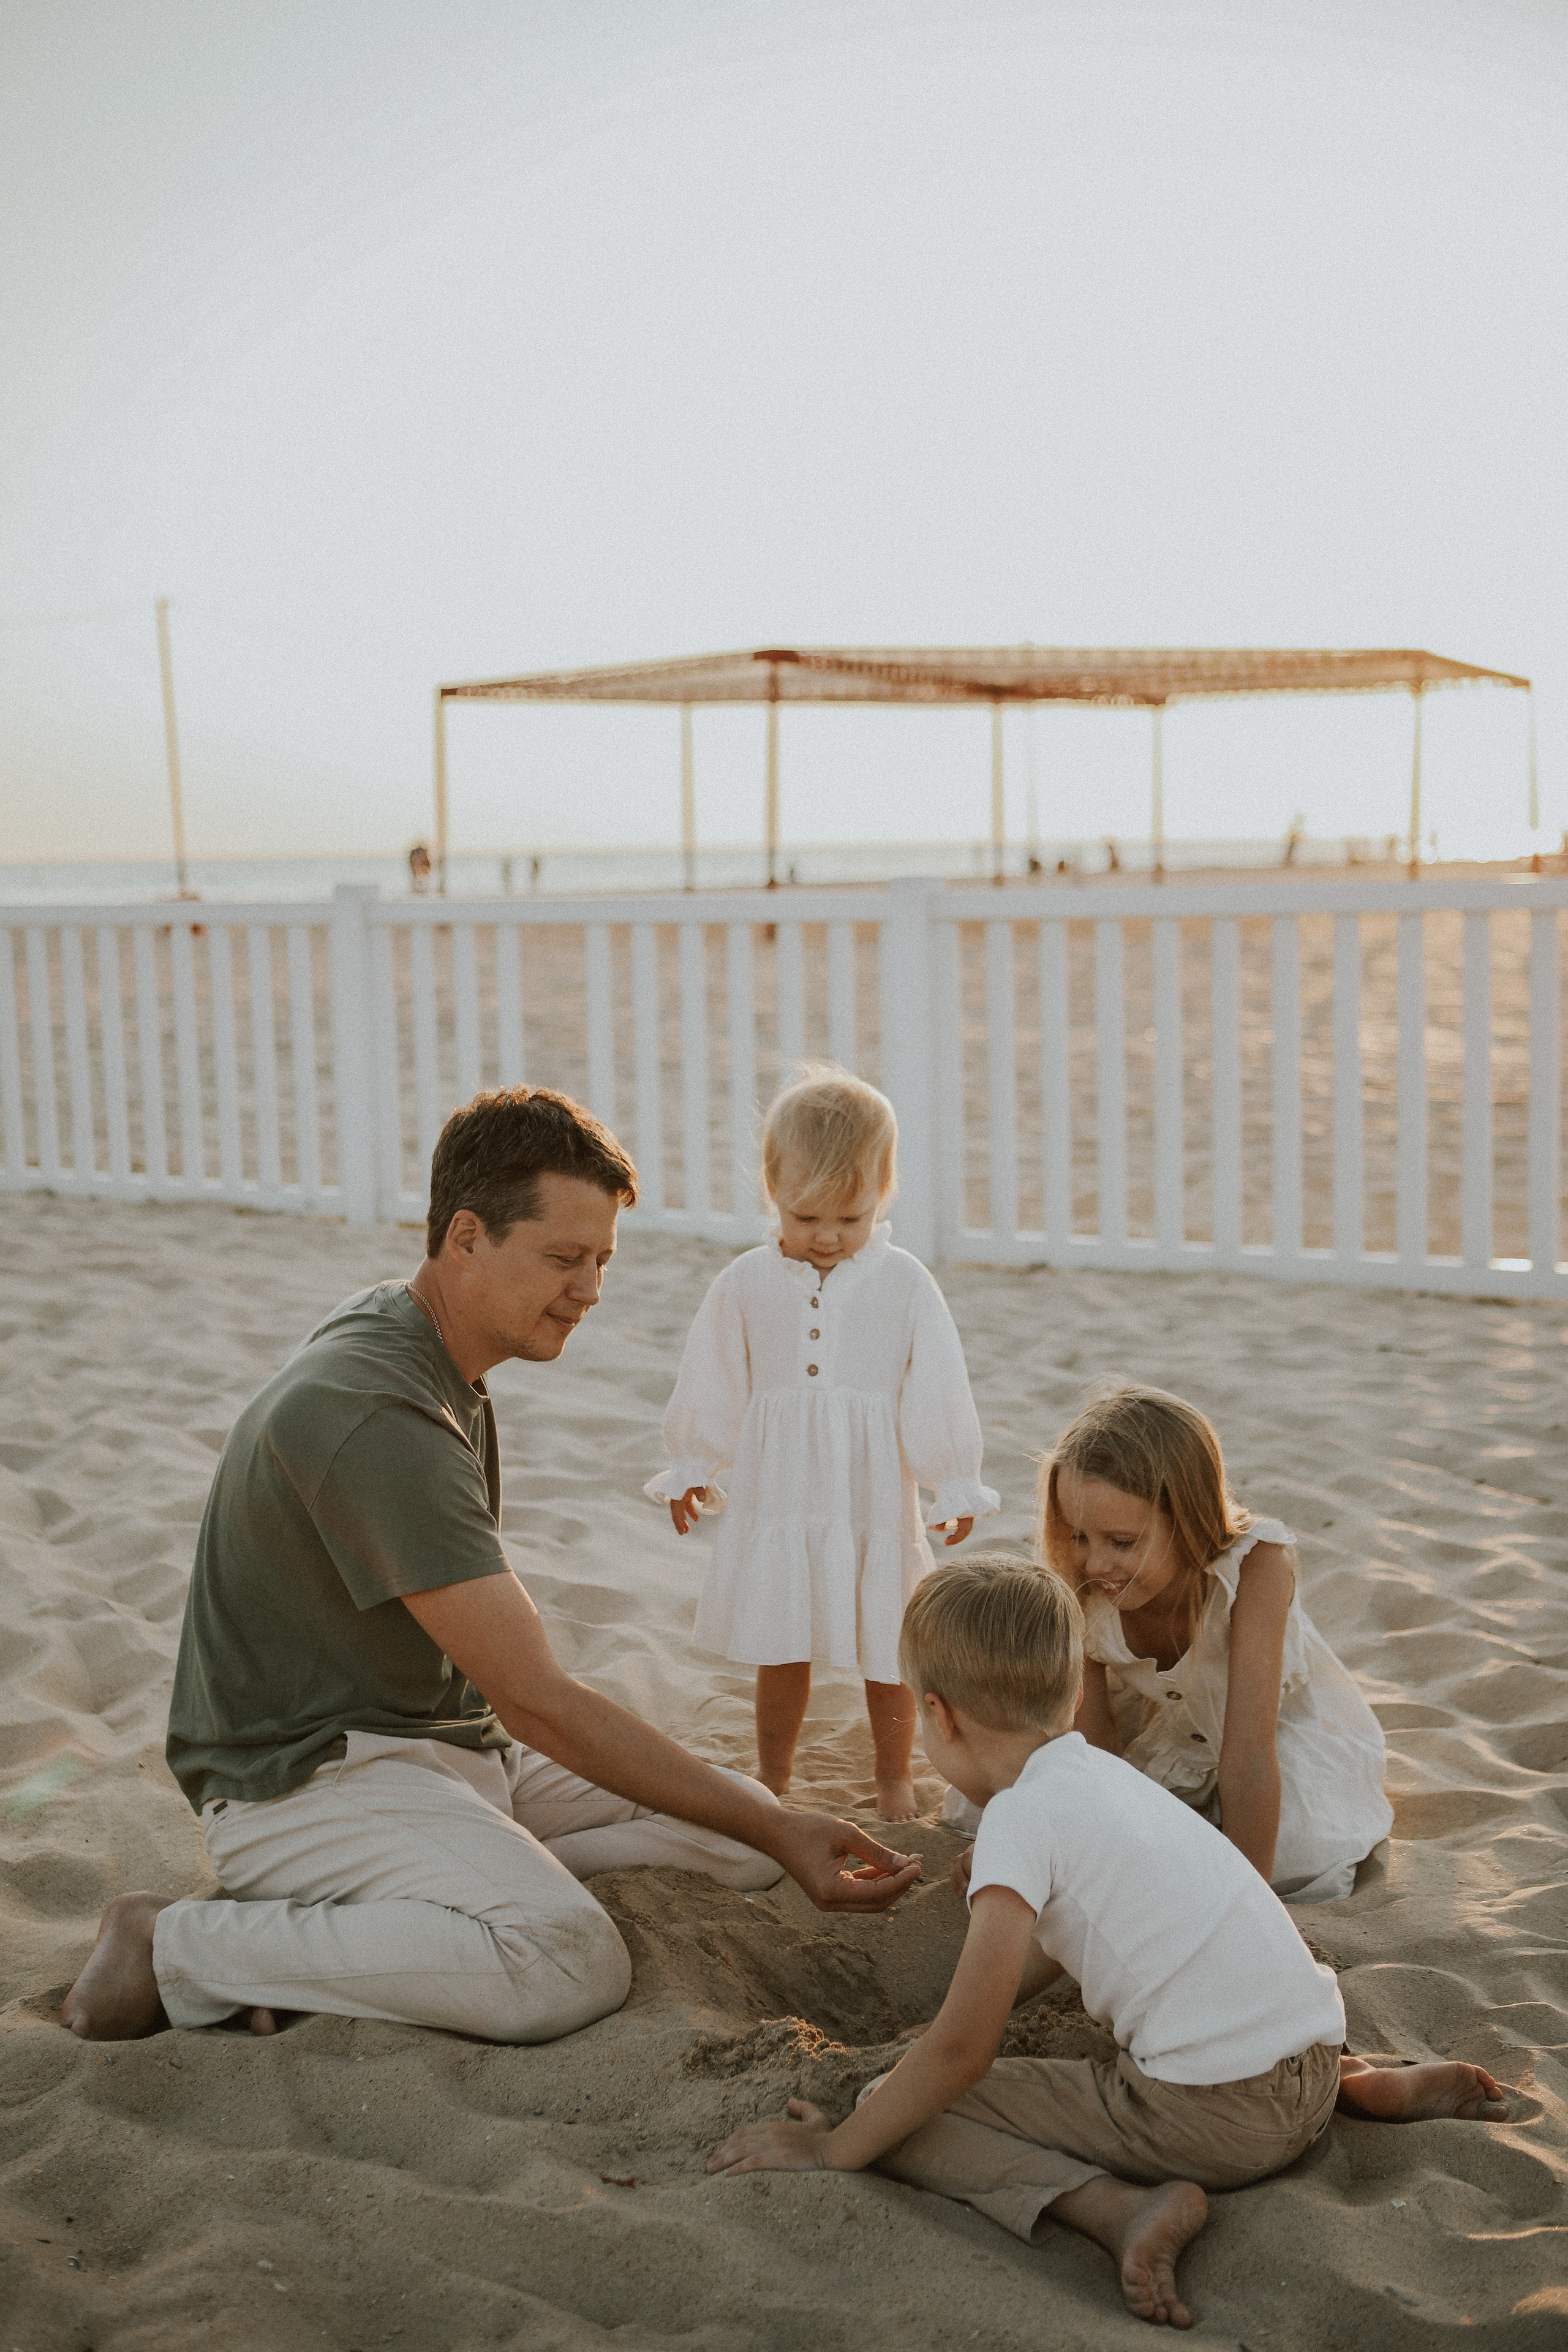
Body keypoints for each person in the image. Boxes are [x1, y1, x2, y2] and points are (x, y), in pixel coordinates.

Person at [61, 1088, 920, 2048]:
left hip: (448, 1752)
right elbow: (538, 1700)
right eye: (563, 1258)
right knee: (567, 1964)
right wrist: (787, 1831)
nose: (589, 1290)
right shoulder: (376, 1411)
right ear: (465, 1239)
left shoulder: (423, 1335)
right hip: (306, 1783)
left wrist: (777, 1829)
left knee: (744, 1830)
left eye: (601, 1261)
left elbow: (520, 1714)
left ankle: (405, 1921)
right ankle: (172, 1943)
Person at [709, 1558, 1507, 2331]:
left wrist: (835, 2149)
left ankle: (1117, 2209)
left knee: (895, 2106)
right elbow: (1067, 1939)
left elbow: (961, 2054)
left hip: (1219, 2119)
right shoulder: (1104, 1778)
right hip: (1313, 2058)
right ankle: (1364, 2089)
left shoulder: (1020, 1818)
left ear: (941, 1716)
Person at [647, 1068, 998, 1823]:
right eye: (806, 1217)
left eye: (852, 1217)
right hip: (783, 1494)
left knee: (886, 1643)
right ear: (771, 1188)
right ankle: (774, 1773)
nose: (829, 1236)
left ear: (884, 1192)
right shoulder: (745, 1283)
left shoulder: (904, 1284)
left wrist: (953, 1481)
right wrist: (692, 1467)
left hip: (869, 1494)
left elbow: (936, 1384)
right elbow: (713, 1379)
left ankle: (893, 1776)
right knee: (783, 1641)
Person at [943, 1385, 1392, 1904]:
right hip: (1159, 1723)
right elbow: (1091, 1750)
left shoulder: (1256, 1569)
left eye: (1122, 1542)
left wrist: (1242, 1913)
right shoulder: (1080, 1579)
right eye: (1078, 1535)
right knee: (1003, 1803)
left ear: (1188, 1520)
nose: (1093, 1564)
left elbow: (1248, 1762)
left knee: (1297, 1844)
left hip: (1261, 1730)